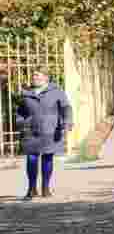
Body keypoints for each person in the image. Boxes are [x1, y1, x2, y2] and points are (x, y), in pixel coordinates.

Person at [15, 70, 73, 200]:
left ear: (46, 78)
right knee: (31, 158)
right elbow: (20, 112)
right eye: (33, 75)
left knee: (47, 158)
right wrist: (21, 123)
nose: (34, 77)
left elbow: (66, 108)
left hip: (50, 130)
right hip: (30, 131)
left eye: (37, 75)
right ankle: (31, 189)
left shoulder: (57, 92)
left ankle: (45, 188)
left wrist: (67, 122)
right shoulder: (26, 93)